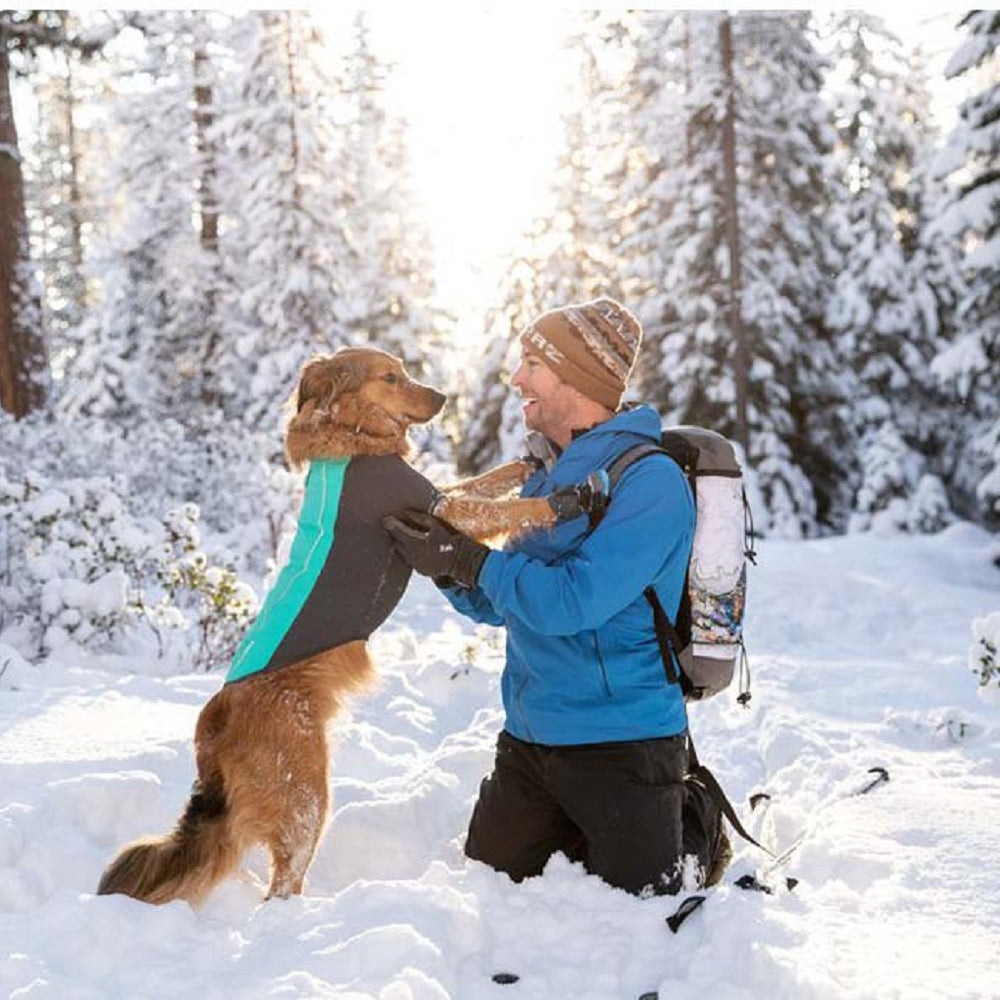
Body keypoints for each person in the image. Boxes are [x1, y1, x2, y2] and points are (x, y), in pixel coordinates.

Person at [383, 297, 696, 896]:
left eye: (533, 363)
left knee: (642, 908)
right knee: (487, 887)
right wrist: (448, 568)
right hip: (529, 744)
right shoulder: (545, 477)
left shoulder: (650, 482)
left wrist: (472, 559)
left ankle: (691, 821)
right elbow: (503, 600)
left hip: (622, 746)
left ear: (578, 378)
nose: (517, 377)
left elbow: (572, 602)